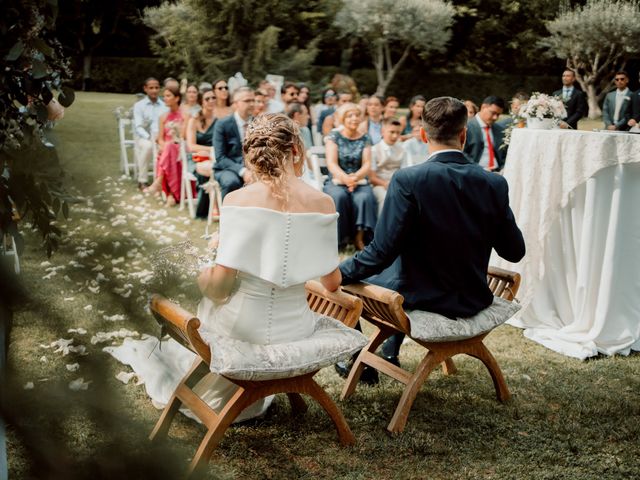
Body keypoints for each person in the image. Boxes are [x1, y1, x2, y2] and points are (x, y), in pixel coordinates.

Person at [107, 113, 345, 424]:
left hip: (243, 331)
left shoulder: (237, 200)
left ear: (252, 155)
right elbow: (331, 283)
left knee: (210, 303)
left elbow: (219, 290)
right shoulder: (324, 202)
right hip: (295, 329)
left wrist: (203, 275)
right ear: (296, 150)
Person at [339, 96, 525, 367]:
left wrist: (337, 274)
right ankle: (388, 348)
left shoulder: (408, 180)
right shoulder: (494, 183)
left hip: (419, 297)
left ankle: (359, 363)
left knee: (345, 282)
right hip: (472, 297)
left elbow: (381, 252)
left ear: (424, 134)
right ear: (463, 134)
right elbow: (514, 251)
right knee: (391, 273)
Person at [323, 103, 377, 250]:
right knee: (339, 197)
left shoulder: (365, 138)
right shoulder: (334, 136)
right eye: (349, 115)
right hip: (336, 179)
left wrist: (355, 178)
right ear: (342, 118)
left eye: (357, 115)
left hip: (358, 180)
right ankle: (340, 240)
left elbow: (367, 164)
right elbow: (332, 163)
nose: (354, 118)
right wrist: (345, 179)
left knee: (364, 197)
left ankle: (359, 238)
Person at [144, 85, 186, 206]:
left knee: (170, 149)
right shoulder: (162, 117)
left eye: (168, 96)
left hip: (180, 148)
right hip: (167, 149)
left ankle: (159, 183)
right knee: (168, 149)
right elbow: (160, 139)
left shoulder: (185, 116)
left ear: (177, 98)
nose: (165, 98)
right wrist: (163, 146)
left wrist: (170, 143)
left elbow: (183, 137)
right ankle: (171, 195)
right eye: (164, 96)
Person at [212, 87, 255, 199]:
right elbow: (220, 157)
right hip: (228, 168)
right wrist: (243, 171)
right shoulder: (222, 124)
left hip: (254, 168)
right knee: (231, 182)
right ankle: (228, 215)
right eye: (247, 101)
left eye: (253, 100)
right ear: (236, 103)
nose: (251, 104)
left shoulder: (258, 123)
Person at [186, 87, 216, 218]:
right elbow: (191, 146)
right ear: (201, 102)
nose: (211, 101)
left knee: (217, 168)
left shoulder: (219, 120)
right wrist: (210, 150)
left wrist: (213, 152)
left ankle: (216, 205)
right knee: (210, 169)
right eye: (207, 98)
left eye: (213, 97)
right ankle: (211, 207)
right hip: (196, 158)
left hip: (213, 157)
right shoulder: (194, 120)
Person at [132, 77, 168, 190]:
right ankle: (142, 180)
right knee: (148, 146)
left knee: (170, 147)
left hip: (161, 136)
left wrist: (160, 137)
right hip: (144, 136)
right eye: (151, 88)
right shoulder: (139, 105)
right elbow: (138, 127)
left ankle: (164, 181)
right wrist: (149, 137)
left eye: (157, 87)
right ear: (145, 89)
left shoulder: (164, 105)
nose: (154, 90)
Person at [369, 118, 407, 214]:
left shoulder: (403, 149)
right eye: (392, 132)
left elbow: (405, 171)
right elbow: (372, 178)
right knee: (386, 197)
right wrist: (386, 184)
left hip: (398, 184)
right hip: (379, 185)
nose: (395, 136)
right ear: (382, 132)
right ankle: (382, 227)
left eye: (398, 133)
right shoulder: (373, 150)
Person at [463, 96, 506, 171]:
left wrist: (504, 168)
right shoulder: (466, 128)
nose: (495, 117)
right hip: (475, 172)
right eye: (493, 113)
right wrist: (479, 169)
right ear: (483, 107)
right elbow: (461, 154)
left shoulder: (499, 130)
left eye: (498, 115)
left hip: (497, 172)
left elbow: (504, 154)